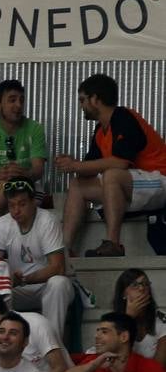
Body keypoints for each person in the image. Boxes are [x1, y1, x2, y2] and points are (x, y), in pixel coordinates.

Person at [57, 72, 166, 259]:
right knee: (77, 185)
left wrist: (75, 165)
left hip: (159, 181)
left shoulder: (124, 117)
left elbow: (120, 162)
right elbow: (89, 169)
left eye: (83, 100)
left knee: (112, 175)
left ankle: (113, 244)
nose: (81, 106)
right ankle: (64, 249)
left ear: (95, 99)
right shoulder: (100, 130)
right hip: (131, 188)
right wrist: (74, 164)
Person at [0, 179, 74, 340]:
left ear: (34, 201)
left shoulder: (47, 220)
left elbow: (58, 267)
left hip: (45, 287)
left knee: (58, 283)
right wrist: (7, 279)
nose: (16, 211)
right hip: (19, 288)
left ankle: (51, 344)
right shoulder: (3, 223)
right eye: (11, 205)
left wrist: (25, 279)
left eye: (22, 204)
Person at [0, 80, 48, 235]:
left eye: (21, 100)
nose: (18, 105)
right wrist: (2, 174)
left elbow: (38, 170)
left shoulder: (35, 129)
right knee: (9, 182)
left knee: (14, 185)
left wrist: (24, 174)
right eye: (12, 100)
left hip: (26, 186)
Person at [61, 312, 166, 372]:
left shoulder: (151, 369)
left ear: (124, 337)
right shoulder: (97, 361)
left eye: (104, 332)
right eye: (97, 331)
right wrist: (94, 365)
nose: (96, 336)